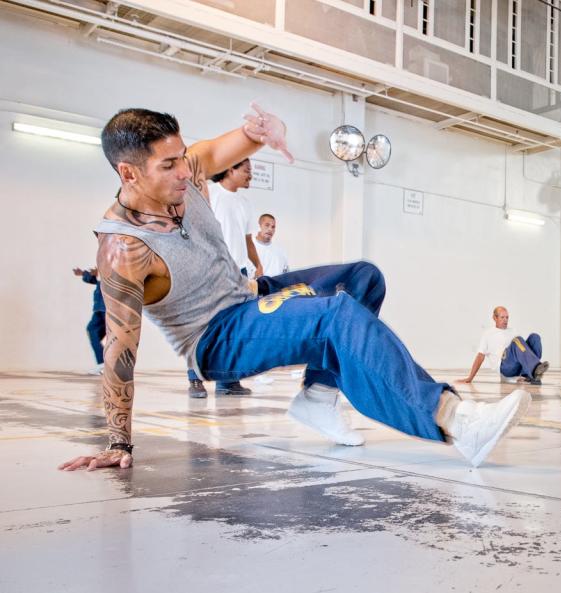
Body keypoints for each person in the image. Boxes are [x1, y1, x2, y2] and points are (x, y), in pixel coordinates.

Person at [58, 104, 529, 472]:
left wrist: (265, 132)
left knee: (362, 278)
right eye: (168, 165)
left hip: (249, 295)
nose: (185, 171)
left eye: (182, 157)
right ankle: (455, 420)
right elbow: (119, 350)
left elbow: (236, 143)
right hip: (215, 339)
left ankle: (318, 397)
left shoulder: (190, 171)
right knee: (335, 316)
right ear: (128, 173)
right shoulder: (124, 249)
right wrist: (118, 441)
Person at [186, 158, 264, 398]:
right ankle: (195, 380)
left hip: (238, 272)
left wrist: (257, 263)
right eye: (247, 171)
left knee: (235, 327)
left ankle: (228, 381)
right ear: (230, 169)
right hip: (212, 268)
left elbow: (247, 238)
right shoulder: (212, 194)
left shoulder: (245, 203)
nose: (250, 175)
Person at [458, 307, 549, 385]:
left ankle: (532, 375)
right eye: (502, 317)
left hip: (518, 365)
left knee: (534, 337)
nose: (505, 320)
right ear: (495, 318)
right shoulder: (488, 334)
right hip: (505, 367)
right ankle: (535, 370)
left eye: (507, 317)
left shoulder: (513, 330)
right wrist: (470, 378)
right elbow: (480, 356)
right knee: (517, 340)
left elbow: (523, 350)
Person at [73, 266, 105, 375]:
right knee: (92, 330)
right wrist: (83, 273)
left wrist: (99, 273)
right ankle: (102, 363)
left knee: (113, 336)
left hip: (109, 309)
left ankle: (105, 364)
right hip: (99, 308)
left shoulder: (114, 264)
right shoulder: (104, 261)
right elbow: (94, 279)